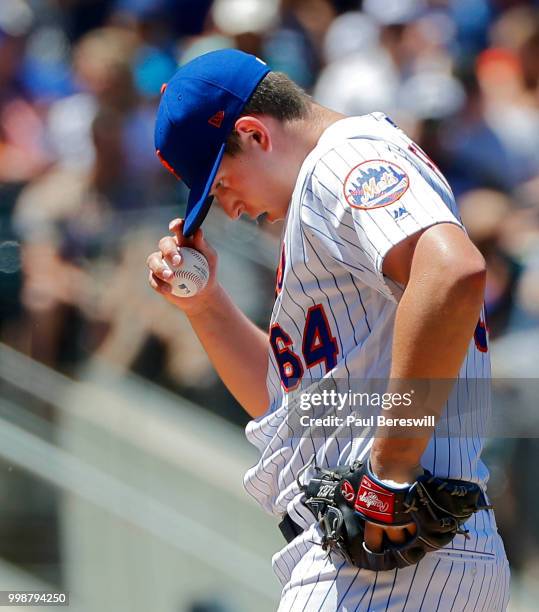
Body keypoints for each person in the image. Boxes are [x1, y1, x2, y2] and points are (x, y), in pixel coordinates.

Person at [147, 49, 510, 610]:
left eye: (220, 186)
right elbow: (286, 405)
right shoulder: (329, 193)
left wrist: (388, 474)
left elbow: (452, 272)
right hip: (410, 555)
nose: (232, 209)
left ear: (254, 135)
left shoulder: (343, 159)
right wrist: (206, 306)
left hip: (388, 561)